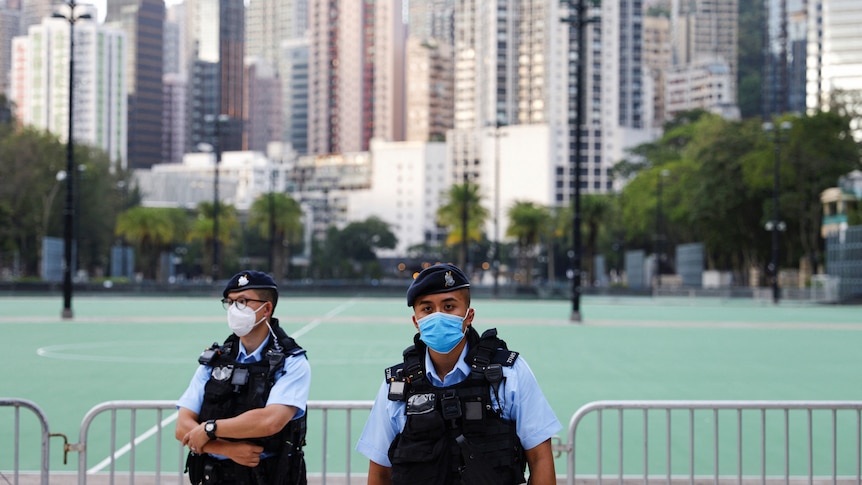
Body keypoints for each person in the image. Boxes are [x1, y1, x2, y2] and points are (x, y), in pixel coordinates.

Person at [356, 263, 562, 485]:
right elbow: (379, 473)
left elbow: (540, 459)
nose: (438, 316)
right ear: (416, 322)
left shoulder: (508, 374)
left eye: (448, 307)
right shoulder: (397, 385)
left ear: (468, 315)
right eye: (427, 309)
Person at [176, 270, 311, 485]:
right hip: (214, 477)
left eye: (242, 301)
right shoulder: (215, 359)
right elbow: (183, 426)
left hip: (268, 477)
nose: (233, 309)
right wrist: (226, 449)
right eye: (229, 302)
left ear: (266, 308)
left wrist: (210, 429)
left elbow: (271, 421)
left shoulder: (291, 362)